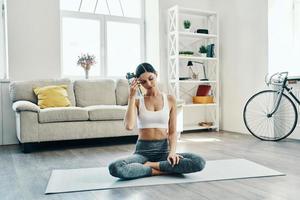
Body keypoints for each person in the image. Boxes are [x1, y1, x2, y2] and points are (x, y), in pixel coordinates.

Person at [108, 63, 206, 179]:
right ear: (139, 83)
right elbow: (129, 126)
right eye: (143, 82)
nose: (148, 84)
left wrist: (172, 152)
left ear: (156, 75)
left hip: (164, 151)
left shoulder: (170, 99)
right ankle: (162, 170)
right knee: (115, 167)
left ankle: (150, 166)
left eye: (151, 79)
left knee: (198, 162)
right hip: (142, 153)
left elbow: (173, 131)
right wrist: (131, 97)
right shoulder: (138, 101)